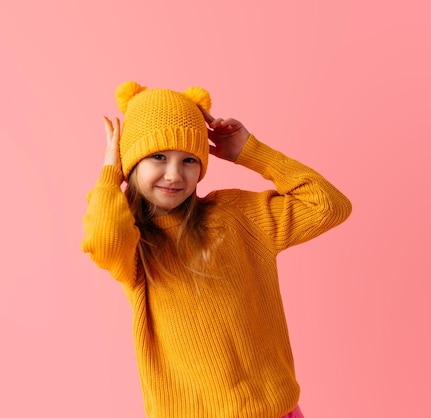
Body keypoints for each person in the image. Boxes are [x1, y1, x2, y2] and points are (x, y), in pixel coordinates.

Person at [81, 81, 352, 418]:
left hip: (277, 411)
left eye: (189, 160)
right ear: (131, 162)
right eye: (158, 157)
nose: (174, 174)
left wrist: (250, 151)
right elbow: (102, 235)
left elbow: (329, 206)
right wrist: (110, 174)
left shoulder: (235, 216)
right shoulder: (134, 245)